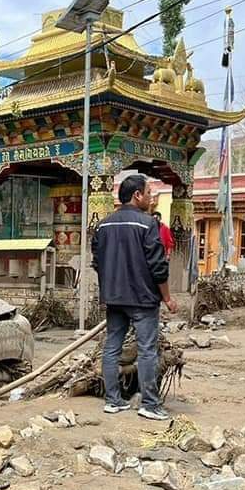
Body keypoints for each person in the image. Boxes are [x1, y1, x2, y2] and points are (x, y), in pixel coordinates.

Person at [92, 174, 178, 421]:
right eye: (149, 193)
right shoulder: (148, 224)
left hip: (114, 298)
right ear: (137, 195)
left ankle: (113, 400)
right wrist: (168, 298)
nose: (151, 199)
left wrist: (111, 284)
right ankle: (149, 404)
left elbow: (97, 262)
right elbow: (158, 266)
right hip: (142, 299)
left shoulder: (103, 225)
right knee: (147, 350)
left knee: (112, 348)